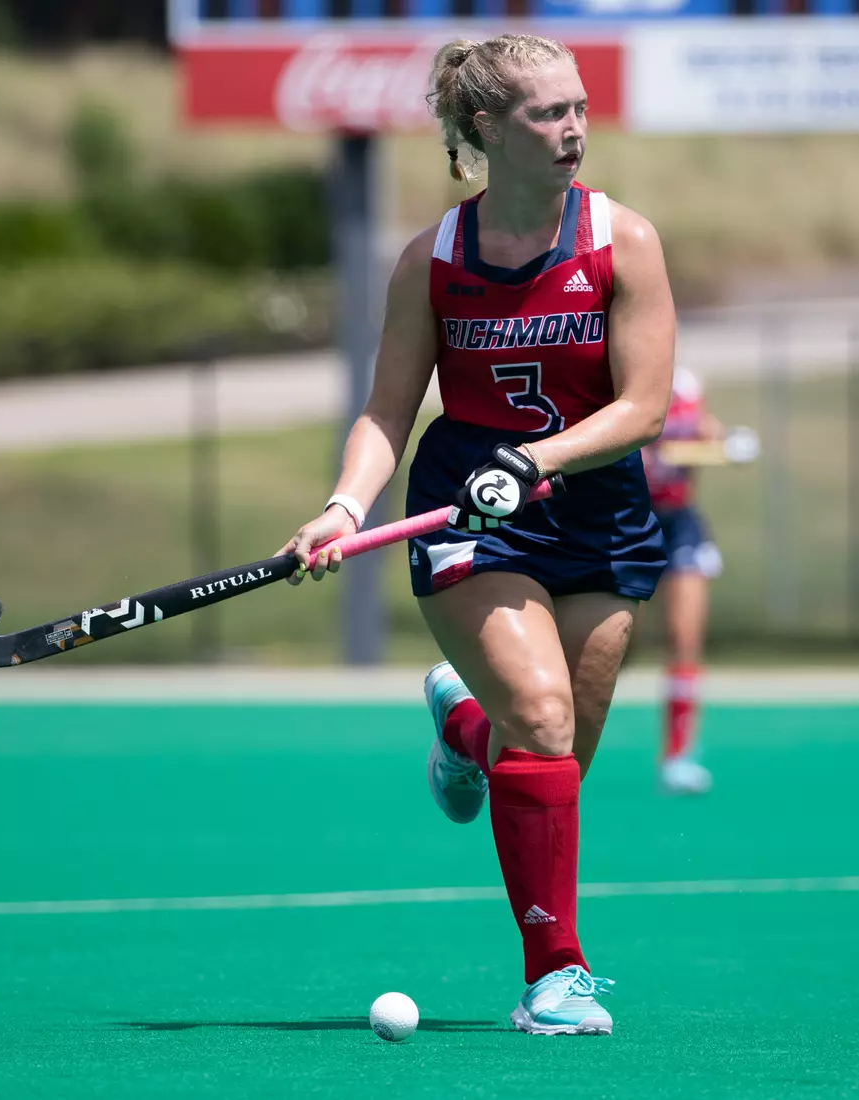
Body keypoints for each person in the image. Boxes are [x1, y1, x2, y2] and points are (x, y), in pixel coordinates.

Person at [277, 34, 676, 1036]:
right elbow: (386, 411)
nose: (574, 128)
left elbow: (644, 407)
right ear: (486, 129)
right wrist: (342, 507)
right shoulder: (433, 261)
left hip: (596, 515)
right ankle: (556, 976)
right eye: (549, 113)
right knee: (538, 714)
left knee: (554, 758)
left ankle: (462, 727)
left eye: (580, 107)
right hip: (470, 517)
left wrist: (538, 460)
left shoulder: (622, 242)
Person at [640, 367, 723, 796]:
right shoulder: (621, 380)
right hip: (628, 523)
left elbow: (711, 434)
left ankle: (677, 755)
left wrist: (718, 444)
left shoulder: (688, 386)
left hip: (679, 525)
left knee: (683, 638)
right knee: (608, 646)